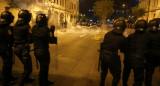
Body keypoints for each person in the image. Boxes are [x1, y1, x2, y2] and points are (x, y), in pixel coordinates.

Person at [32, 14, 57, 86]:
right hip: (44, 51)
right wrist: (52, 29)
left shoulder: (34, 28)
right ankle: (42, 83)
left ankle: (45, 81)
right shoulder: (46, 29)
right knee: (44, 68)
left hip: (36, 51)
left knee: (43, 67)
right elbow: (51, 40)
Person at [99, 20, 126, 86]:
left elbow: (105, 44)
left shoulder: (108, 34)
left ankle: (102, 83)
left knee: (104, 72)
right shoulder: (122, 38)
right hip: (113, 57)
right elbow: (123, 50)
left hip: (103, 55)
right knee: (117, 75)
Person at [122, 20, 148, 86]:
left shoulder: (130, 36)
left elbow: (123, 49)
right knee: (138, 79)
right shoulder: (148, 38)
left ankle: (124, 84)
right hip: (139, 62)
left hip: (128, 60)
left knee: (126, 73)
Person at [13, 10, 34, 86]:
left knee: (26, 65)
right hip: (23, 49)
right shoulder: (27, 26)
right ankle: (20, 83)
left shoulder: (15, 25)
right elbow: (30, 39)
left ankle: (27, 78)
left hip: (16, 48)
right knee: (28, 69)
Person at [0, 11, 16, 86]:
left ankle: (9, 77)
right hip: (5, 48)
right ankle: (5, 82)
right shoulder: (8, 27)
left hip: (2, 47)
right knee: (7, 64)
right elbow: (9, 39)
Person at [145, 19, 160, 86]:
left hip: (149, 54)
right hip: (158, 54)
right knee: (152, 69)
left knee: (149, 71)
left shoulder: (147, 34)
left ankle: (148, 83)